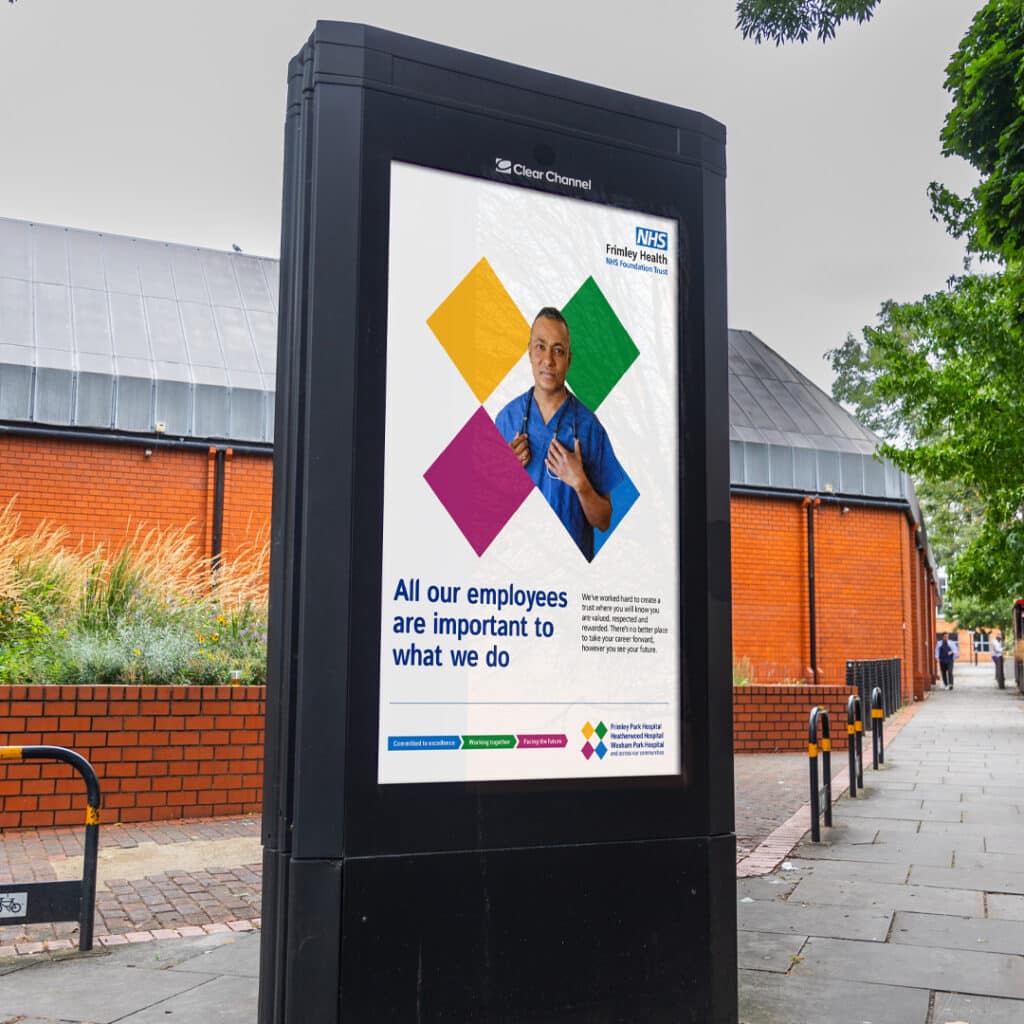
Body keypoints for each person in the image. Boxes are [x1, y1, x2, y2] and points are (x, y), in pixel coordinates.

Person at [495, 307, 623, 562]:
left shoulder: (589, 428)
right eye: (541, 347)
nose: (549, 360)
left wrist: (580, 483)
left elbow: (604, 521)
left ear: (569, 360)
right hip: (514, 574)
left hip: (568, 578)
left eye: (558, 350)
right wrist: (506, 476)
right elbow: (484, 511)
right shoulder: (505, 420)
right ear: (529, 352)